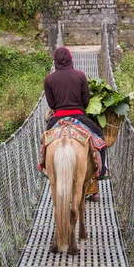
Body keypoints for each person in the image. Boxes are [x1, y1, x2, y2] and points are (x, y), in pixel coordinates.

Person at [44, 46, 109, 181]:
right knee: (100, 136)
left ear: (55, 60)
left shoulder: (49, 79)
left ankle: (44, 166)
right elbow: (85, 101)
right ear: (70, 59)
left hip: (58, 118)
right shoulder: (80, 75)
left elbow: (51, 104)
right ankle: (102, 170)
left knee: (44, 140)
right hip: (78, 117)